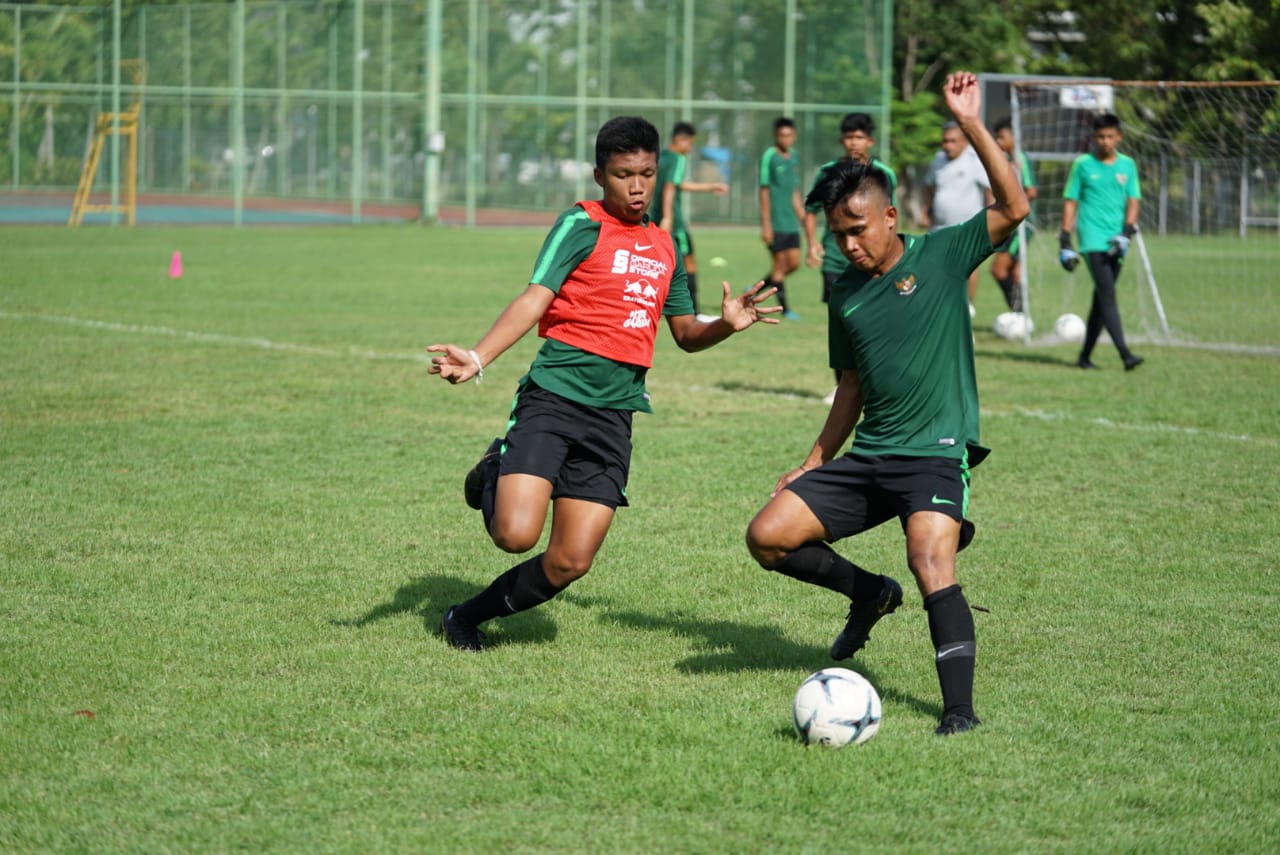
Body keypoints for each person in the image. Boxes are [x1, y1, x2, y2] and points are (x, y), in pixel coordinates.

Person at [744, 72, 1029, 736]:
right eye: (839, 233)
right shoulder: (843, 290)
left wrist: (973, 122)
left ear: (891, 216)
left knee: (930, 558)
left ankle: (958, 711)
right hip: (872, 453)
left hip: (933, 450)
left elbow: (1014, 206)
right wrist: (813, 460)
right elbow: (850, 386)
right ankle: (868, 594)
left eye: (859, 228)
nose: (849, 243)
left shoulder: (942, 254)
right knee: (767, 536)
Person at [427, 116, 780, 652]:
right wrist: (479, 357)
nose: (636, 187)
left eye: (645, 173)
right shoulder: (581, 224)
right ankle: (497, 465)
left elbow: (684, 333)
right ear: (599, 176)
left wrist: (725, 326)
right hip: (554, 398)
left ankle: (463, 617)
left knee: (570, 561)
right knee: (514, 536)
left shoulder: (664, 248)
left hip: (614, 417)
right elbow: (535, 297)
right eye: (622, 174)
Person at [803, 112, 898, 404]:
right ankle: (842, 386)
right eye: (848, 137)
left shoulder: (883, 173)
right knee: (842, 324)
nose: (853, 142)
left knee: (878, 322)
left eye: (859, 136)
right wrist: (811, 244)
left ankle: (878, 382)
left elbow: (889, 216)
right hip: (835, 260)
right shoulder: (829, 171)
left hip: (873, 262)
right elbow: (811, 209)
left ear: (869, 140)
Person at [1059, 113, 1144, 370]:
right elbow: (1071, 200)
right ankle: (1125, 355)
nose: (1105, 141)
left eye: (1110, 136)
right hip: (1092, 238)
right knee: (1108, 294)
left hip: (1117, 238)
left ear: (1119, 137)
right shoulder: (1082, 165)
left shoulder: (1128, 165)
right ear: (1093, 138)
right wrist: (1065, 238)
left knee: (1100, 300)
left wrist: (1127, 232)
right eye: (1100, 137)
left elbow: (1133, 200)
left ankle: (1085, 357)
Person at [650, 121, 729, 313]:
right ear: (679, 139)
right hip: (674, 223)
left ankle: (654, 304)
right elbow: (670, 186)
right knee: (689, 263)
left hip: (654, 218)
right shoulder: (678, 158)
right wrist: (668, 217)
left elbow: (677, 184)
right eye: (689, 143)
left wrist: (710, 186)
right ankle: (693, 309)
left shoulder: (661, 157)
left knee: (657, 263)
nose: (690, 148)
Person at [922, 119, 994, 313]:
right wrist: (926, 210)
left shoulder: (973, 160)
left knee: (968, 265)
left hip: (967, 225)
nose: (947, 146)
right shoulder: (938, 160)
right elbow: (928, 186)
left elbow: (989, 189)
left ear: (964, 142)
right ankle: (940, 304)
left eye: (952, 141)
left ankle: (967, 305)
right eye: (945, 141)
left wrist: (991, 217)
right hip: (940, 226)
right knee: (936, 266)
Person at [758, 117, 805, 319]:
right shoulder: (769, 156)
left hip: (790, 224)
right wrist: (766, 224)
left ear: (794, 136)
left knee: (794, 263)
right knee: (778, 265)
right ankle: (785, 310)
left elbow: (794, 190)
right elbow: (764, 191)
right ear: (776, 136)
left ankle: (757, 288)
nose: (785, 139)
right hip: (776, 223)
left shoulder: (793, 157)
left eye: (789, 135)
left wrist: (803, 216)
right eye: (781, 135)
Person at [989, 117, 1037, 312]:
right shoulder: (1006, 160)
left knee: (999, 269)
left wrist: (1012, 205)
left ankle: (1019, 313)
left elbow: (1032, 191)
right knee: (1014, 271)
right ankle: (1020, 314)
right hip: (1010, 224)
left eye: (1002, 136)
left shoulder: (1021, 159)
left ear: (1014, 136)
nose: (998, 141)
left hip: (1021, 226)